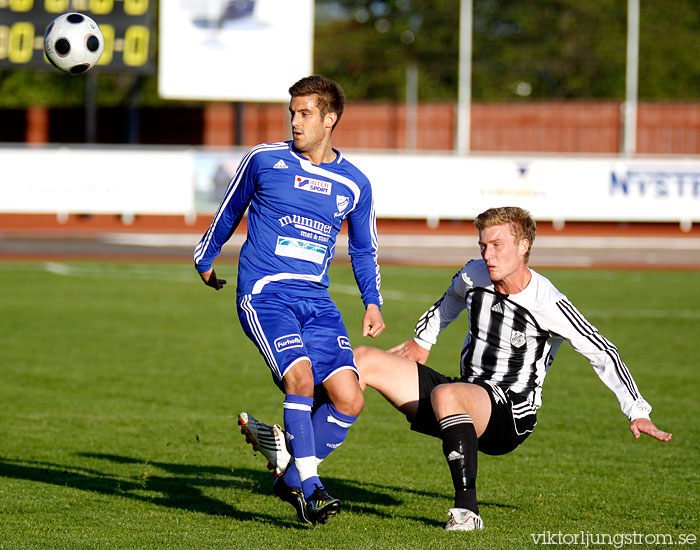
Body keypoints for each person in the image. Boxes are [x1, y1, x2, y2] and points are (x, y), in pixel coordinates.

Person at [352, 206, 671, 531]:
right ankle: (305, 473)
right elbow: (450, 299)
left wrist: (637, 411)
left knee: (447, 394)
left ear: (523, 247)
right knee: (363, 360)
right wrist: (423, 340)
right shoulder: (473, 274)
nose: (488, 255)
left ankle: (466, 513)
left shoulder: (548, 301)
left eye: (497, 245)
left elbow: (603, 352)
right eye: (483, 246)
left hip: (511, 416)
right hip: (466, 398)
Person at [193, 75, 385, 526]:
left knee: (349, 399)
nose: (295, 122)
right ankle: (311, 488)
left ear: (330, 119)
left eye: (305, 114)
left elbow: (363, 247)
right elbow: (230, 208)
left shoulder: (354, 183)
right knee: (299, 379)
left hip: (316, 300)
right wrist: (206, 255)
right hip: (264, 293)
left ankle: (289, 476)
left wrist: (372, 301)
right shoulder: (264, 160)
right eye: (292, 113)